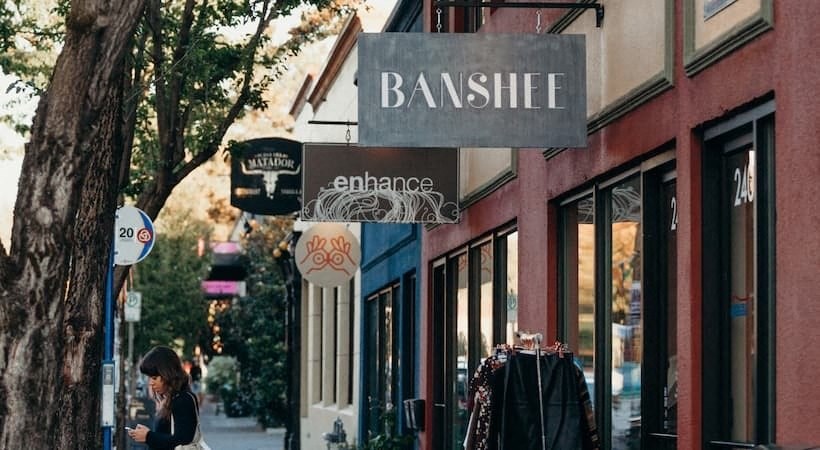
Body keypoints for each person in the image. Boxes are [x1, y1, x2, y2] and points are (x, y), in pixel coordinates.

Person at [127, 346, 200, 449]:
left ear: (167, 373)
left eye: (154, 378)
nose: (151, 383)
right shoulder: (174, 398)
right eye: (150, 378)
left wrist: (148, 436)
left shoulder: (183, 400)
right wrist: (147, 434)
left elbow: (182, 440)